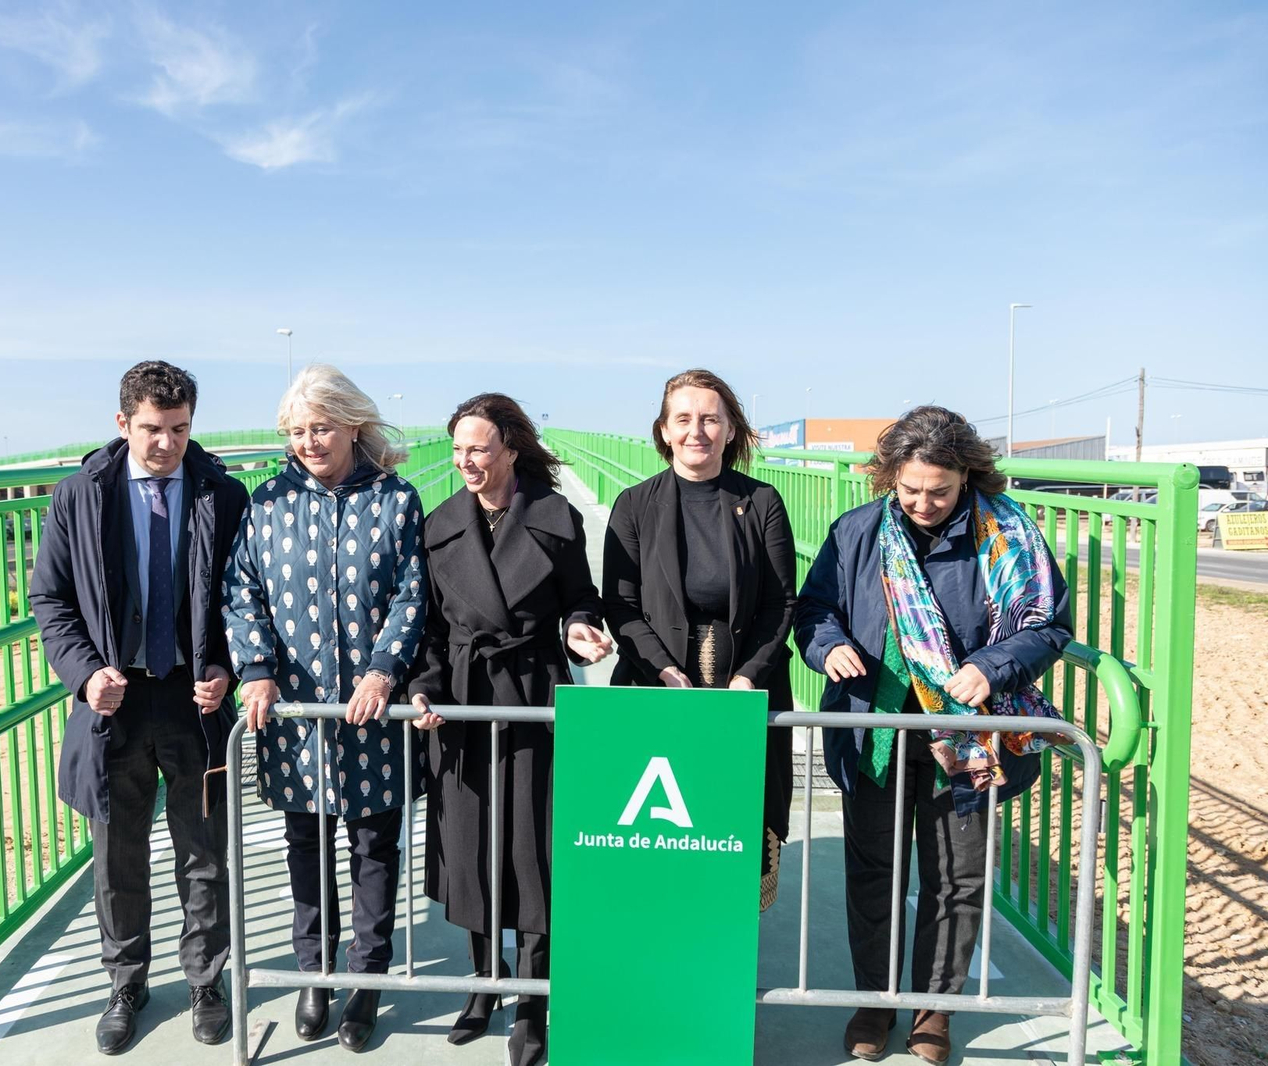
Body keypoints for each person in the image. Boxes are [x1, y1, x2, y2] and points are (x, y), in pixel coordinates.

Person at [793, 406, 1072, 1064]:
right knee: (873, 874)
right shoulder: (857, 531)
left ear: (967, 476)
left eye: (939, 491)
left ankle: (932, 1013)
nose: (922, 502)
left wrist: (992, 665)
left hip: (967, 739)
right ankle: (875, 1000)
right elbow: (813, 610)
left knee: (956, 878)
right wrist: (827, 645)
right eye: (909, 488)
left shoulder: (1006, 536)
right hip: (876, 732)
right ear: (890, 475)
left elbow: (1048, 623)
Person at [29, 360, 249, 1054]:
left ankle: (205, 981)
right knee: (117, 853)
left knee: (202, 849)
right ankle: (126, 983)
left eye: (180, 429)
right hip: (112, 702)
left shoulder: (222, 493)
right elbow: (51, 600)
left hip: (193, 698)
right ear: (122, 423)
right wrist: (84, 675)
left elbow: (243, 599)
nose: (167, 444)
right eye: (152, 429)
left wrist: (226, 666)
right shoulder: (80, 495)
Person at [223, 364, 427, 1052]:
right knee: (305, 849)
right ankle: (316, 974)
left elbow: (411, 592)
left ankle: (367, 982)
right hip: (298, 715)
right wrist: (255, 671)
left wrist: (383, 670)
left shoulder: (395, 499)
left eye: (322, 427)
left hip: (370, 714)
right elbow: (241, 588)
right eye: (298, 430)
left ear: (353, 425)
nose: (310, 441)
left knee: (374, 849)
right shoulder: (267, 502)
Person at [408, 394, 612, 1066]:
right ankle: (484, 983)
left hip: (532, 695)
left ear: (510, 451)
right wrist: (422, 686)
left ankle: (532, 1000)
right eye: (458, 449)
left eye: (479, 448)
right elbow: (432, 631)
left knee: (532, 847)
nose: (466, 461)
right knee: (470, 848)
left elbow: (580, 595)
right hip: (463, 702)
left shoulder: (556, 521)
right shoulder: (439, 526)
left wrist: (581, 624)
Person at [601, 368, 796, 911]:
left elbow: (781, 604)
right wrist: (661, 669)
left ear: (731, 429)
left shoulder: (761, 502)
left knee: (733, 823)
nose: (697, 431)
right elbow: (620, 604)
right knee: (664, 823)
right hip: (656, 684)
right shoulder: (635, 504)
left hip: (743, 687)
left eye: (711, 418)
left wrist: (746, 676)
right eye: (683, 419)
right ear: (663, 430)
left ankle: (726, 950)